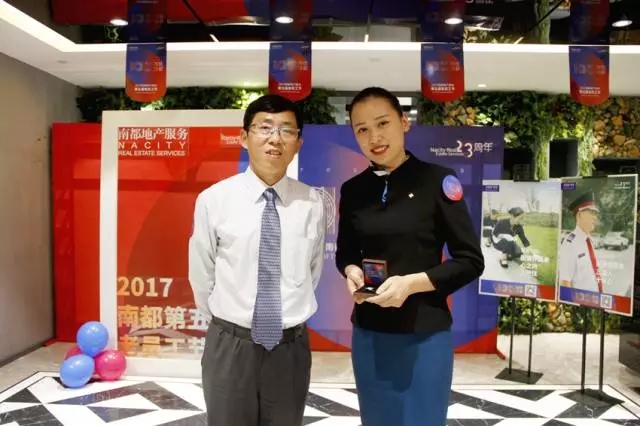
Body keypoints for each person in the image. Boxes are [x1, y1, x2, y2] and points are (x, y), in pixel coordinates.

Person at [335, 86, 484, 426]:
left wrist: (412, 284)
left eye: (382, 123)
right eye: (362, 129)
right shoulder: (353, 190)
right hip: (369, 333)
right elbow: (346, 252)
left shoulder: (438, 181)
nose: (374, 137)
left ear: (404, 122)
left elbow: (470, 261)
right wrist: (351, 271)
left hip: (424, 334)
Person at [188, 94, 326, 426]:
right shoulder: (214, 200)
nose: (275, 138)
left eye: (286, 130)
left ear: (298, 143)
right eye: (264, 127)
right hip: (230, 345)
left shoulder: (312, 203)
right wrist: (231, 322)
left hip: (289, 348)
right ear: (244, 137)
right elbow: (202, 272)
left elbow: (313, 270)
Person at [558, 191, 603, 293]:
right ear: (579, 215)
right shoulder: (570, 243)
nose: (595, 217)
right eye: (591, 213)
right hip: (580, 301)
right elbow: (565, 282)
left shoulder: (589, 240)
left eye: (595, 213)